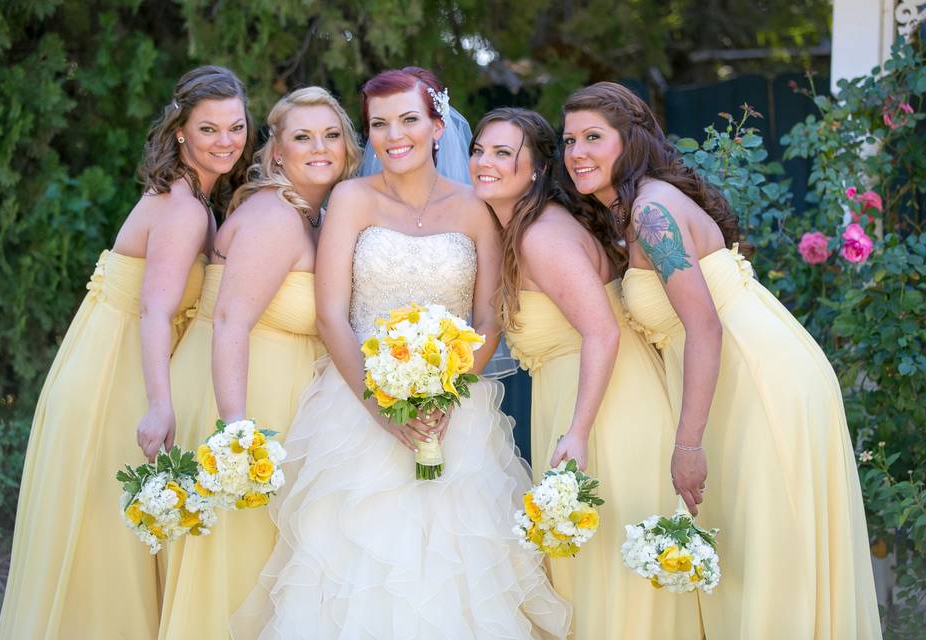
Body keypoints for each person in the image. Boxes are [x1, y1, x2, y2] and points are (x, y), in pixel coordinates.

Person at [231, 67, 570, 639]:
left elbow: (487, 318)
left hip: (456, 415)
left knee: (456, 571)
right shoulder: (351, 198)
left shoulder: (475, 207)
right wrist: (379, 404)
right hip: (355, 412)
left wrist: (446, 390)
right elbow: (330, 314)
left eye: (410, 120)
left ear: (438, 126)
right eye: (379, 124)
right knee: (352, 569)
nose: (395, 136)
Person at [562, 81, 881, 639]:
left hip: (755, 380)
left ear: (630, 142)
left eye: (593, 137)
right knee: (749, 555)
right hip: (735, 377)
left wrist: (686, 446)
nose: (576, 153)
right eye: (568, 141)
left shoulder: (652, 211)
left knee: (768, 559)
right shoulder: (640, 207)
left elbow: (704, 327)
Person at [0, 65, 253, 639]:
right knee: (104, 545)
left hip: (106, 361)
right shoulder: (185, 209)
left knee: (102, 538)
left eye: (235, 127)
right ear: (181, 131)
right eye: (208, 129)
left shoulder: (187, 195)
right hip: (116, 379)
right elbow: (154, 311)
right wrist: (161, 405)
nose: (226, 142)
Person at [473, 106, 702, 640]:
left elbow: (603, 332)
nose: (484, 161)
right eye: (479, 149)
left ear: (534, 170)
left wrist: (577, 432)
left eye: (503, 153)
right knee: (592, 574)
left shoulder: (542, 237)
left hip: (607, 415)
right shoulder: (524, 229)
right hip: (586, 402)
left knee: (609, 584)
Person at [157, 86, 361, 640]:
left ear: (348, 147)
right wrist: (235, 434)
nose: (319, 147)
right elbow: (229, 323)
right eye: (302, 137)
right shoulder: (276, 217)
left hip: (275, 400)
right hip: (246, 402)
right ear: (276, 152)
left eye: (331, 135)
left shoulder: (310, 216)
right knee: (238, 565)